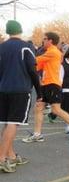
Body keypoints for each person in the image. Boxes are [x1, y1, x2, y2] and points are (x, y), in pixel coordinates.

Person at [23, 32, 69, 143]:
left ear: (50, 41)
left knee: (56, 109)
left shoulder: (53, 52)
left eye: (44, 39)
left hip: (53, 84)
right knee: (39, 107)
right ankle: (37, 134)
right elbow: (38, 66)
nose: (42, 41)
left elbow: (35, 61)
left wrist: (21, 60)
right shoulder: (49, 52)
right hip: (46, 84)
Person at [0, 20, 40, 173]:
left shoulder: (1, 47)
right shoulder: (26, 47)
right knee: (13, 123)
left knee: (7, 123)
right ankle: (2, 158)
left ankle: (11, 155)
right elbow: (32, 70)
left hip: (3, 89)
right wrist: (39, 91)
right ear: (20, 30)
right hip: (20, 89)